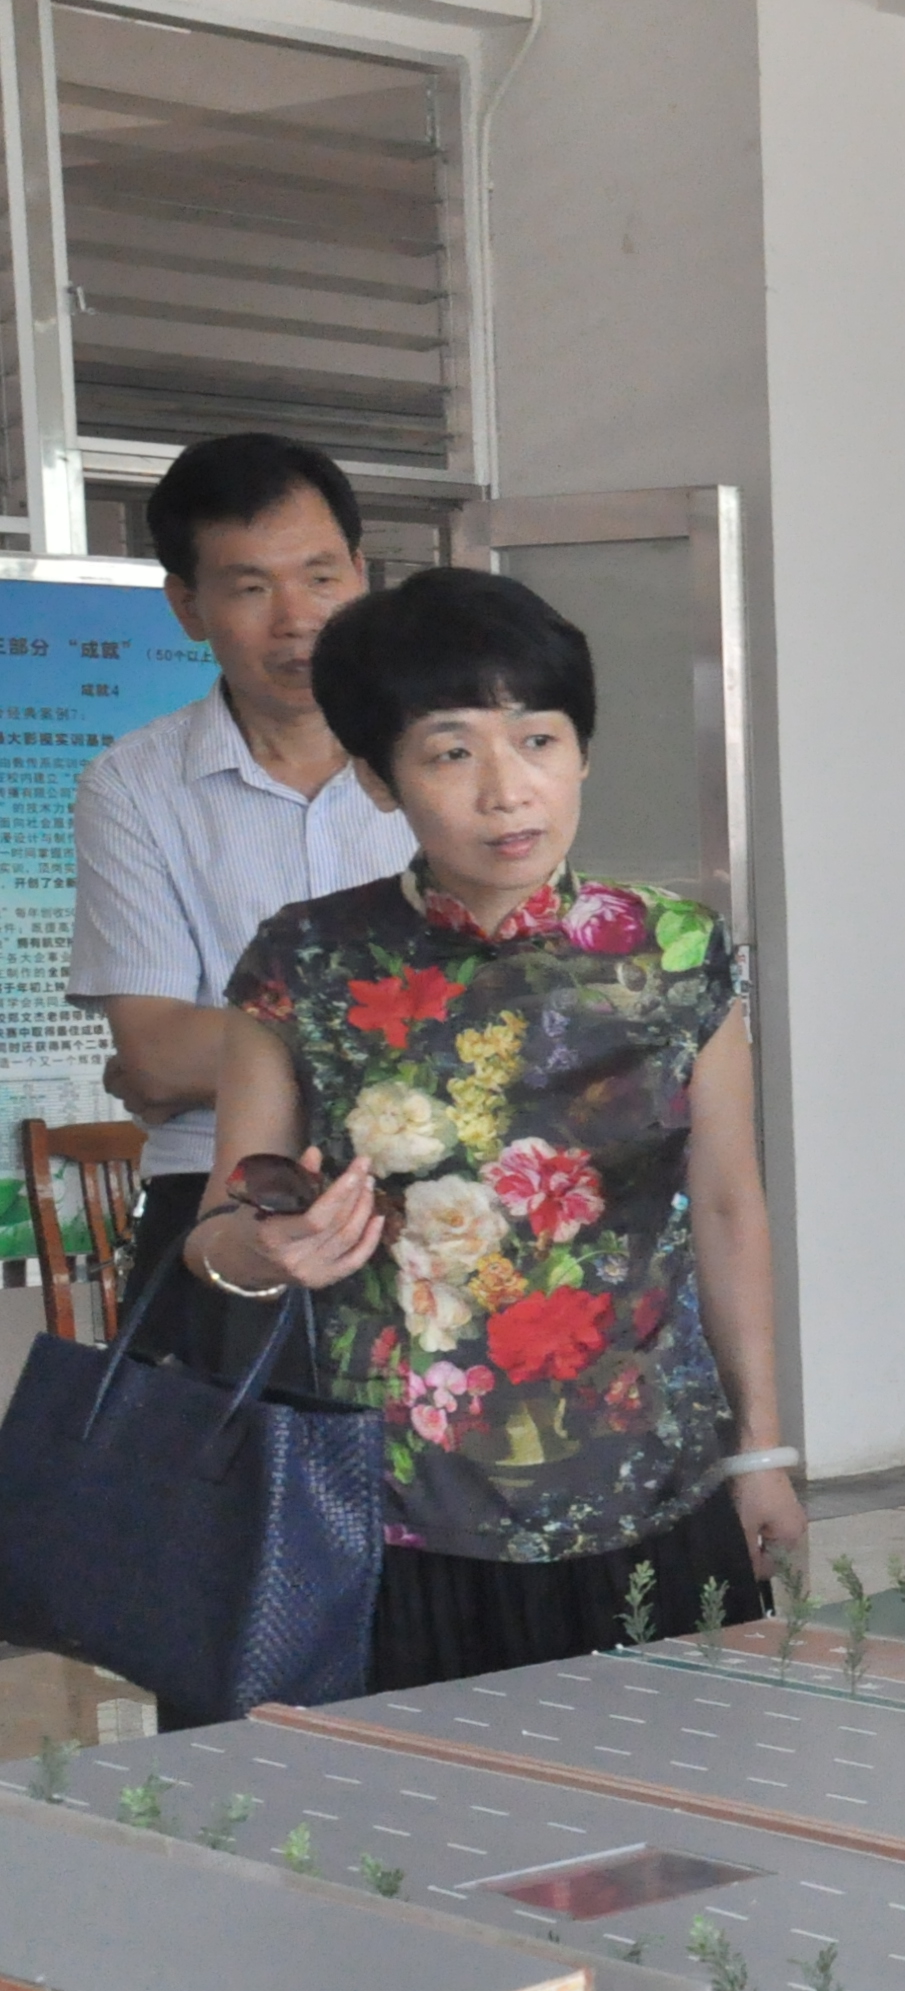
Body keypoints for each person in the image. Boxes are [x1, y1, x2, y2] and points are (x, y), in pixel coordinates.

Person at [177, 566, 803, 1690]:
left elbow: (725, 1204)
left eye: (540, 740)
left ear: (583, 752)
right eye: (451, 753)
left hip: (649, 1482)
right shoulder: (306, 962)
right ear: (377, 780)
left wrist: (760, 1449)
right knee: (428, 1793)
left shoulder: (676, 952)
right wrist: (271, 1249)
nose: (509, 792)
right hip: (398, 1504)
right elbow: (217, 1230)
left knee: (672, 1786)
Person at [64, 433, 414, 1362]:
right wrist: (420, 1022)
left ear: (361, 575)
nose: (297, 620)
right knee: (212, 1455)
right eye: (251, 587)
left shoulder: (441, 758)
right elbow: (154, 1052)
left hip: (439, 1193)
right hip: (226, 1204)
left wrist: (233, 1049)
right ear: (187, 606)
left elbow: (518, 1007)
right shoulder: (133, 787)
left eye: (321, 577)